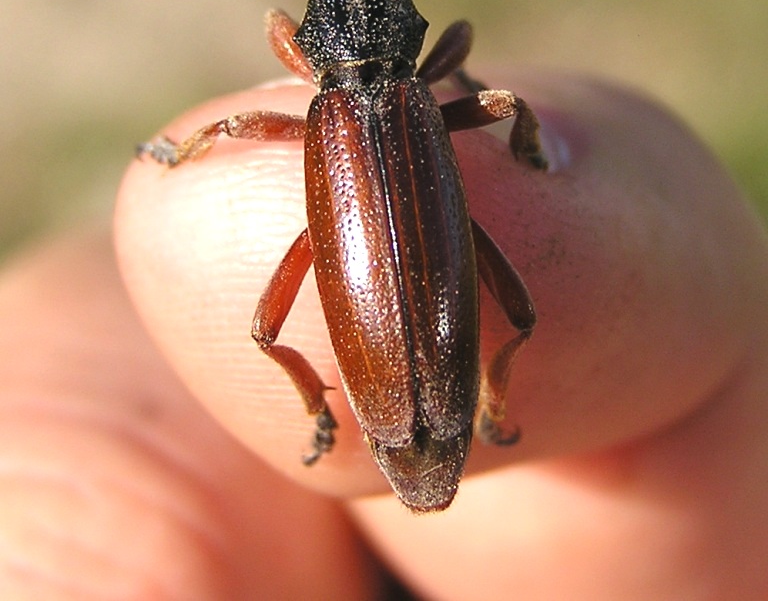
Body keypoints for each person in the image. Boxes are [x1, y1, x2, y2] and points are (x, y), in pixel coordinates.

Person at [1, 70, 766, 599]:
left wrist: (180, 149)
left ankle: (326, 410)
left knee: (268, 326)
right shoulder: (423, 94)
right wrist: (517, 135)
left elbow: (240, 115)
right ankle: (482, 402)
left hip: (405, 368)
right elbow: (494, 95)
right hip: (409, 365)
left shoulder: (326, 108)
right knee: (518, 314)